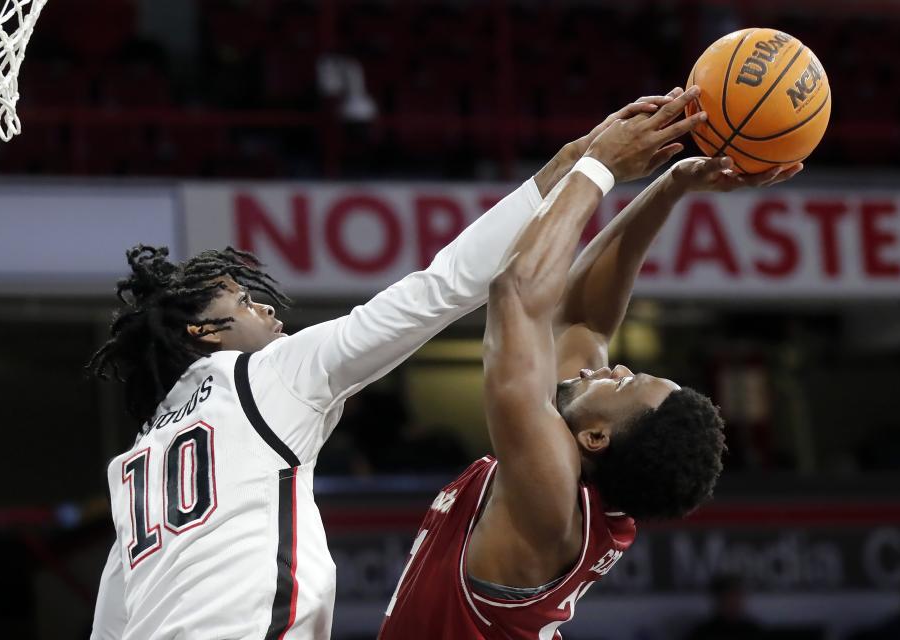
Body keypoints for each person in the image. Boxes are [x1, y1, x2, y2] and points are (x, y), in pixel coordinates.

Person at [86, 97, 686, 640]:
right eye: (241, 301)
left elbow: (115, 620)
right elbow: (445, 286)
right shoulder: (269, 374)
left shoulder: (138, 459)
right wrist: (589, 166)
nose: (264, 303)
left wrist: (580, 162)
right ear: (204, 334)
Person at [379, 85, 802, 639]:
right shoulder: (581, 469)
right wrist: (670, 186)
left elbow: (516, 291)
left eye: (628, 385)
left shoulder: (549, 495)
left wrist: (601, 166)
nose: (618, 369)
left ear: (597, 438)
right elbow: (584, 321)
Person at [685, 574, 765, 640]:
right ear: (718, 600)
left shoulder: (754, 632)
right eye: (728, 598)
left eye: (736, 596)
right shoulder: (702, 633)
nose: (733, 603)